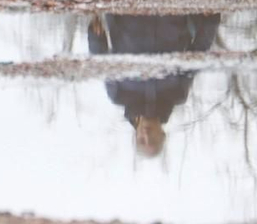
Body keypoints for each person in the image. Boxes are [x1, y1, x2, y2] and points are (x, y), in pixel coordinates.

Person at [87, 13, 219, 158]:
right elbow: (196, 56)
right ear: (162, 134)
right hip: (170, 13)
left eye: (142, 141)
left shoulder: (119, 96)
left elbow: (103, 64)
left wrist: (96, 38)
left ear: (135, 135)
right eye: (153, 140)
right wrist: (209, 21)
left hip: (126, 14)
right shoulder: (177, 94)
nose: (147, 135)